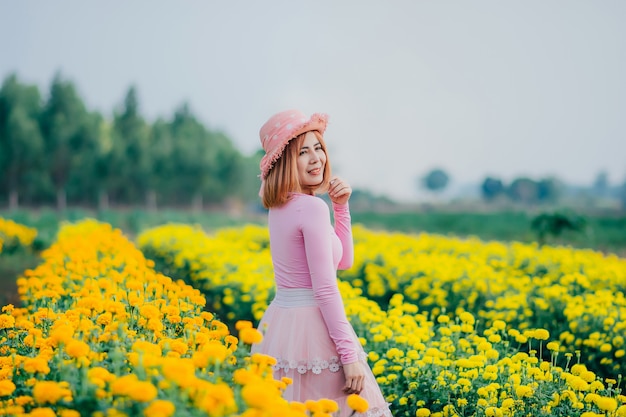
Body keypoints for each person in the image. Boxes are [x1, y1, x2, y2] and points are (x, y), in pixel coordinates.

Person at [251, 109, 392, 417]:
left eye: (318, 148)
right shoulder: (311, 208)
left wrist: (341, 209)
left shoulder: (281, 206)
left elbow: (343, 261)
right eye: (303, 151)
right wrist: (349, 354)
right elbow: (326, 287)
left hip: (281, 326)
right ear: (285, 160)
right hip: (313, 330)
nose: (316, 158)